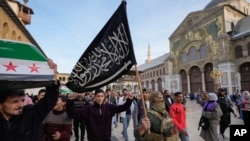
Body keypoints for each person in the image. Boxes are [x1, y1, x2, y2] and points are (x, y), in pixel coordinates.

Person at [0, 59, 59, 141]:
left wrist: (51, 76)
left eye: (22, 100)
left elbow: (50, 99)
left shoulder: (31, 115)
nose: (21, 105)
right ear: (1, 105)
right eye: (15, 101)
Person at [66, 88, 134, 141]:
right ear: (95, 97)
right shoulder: (89, 109)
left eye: (102, 96)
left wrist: (129, 100)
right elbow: (73, 114)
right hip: (93, 139)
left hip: (106, 138)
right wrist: (70, 101)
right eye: (98, 96)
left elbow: (122, 108)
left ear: (104, 97)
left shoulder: (109, 107)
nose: (100, 98)